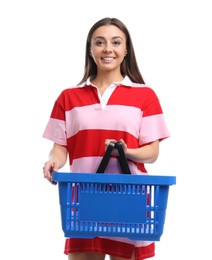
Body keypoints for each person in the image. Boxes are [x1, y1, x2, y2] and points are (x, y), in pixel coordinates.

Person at [43, 17, 170, 260]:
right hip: (84, 200)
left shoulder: (145, 95)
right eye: (99, 42)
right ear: (90, 50)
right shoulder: (68, 98)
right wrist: (53, 161)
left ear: (126, 50)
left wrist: (128, 150)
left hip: (130, 199)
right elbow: (60, 147)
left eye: (116, 42)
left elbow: (152, 152)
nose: (107, 49)